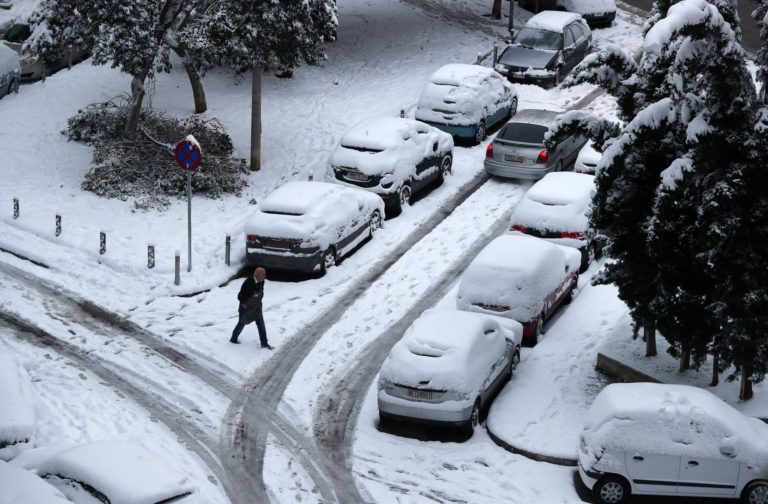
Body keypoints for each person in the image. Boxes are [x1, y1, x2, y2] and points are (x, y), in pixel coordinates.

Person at [230, 267, 273, 349]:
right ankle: (233, 338)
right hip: (246, 308)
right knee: (242, 323)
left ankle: (264, 343)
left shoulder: (262, 281)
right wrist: (243, 304)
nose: (265, 276)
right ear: (256, 275)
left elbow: (260, 292)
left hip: (256, 307)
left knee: (261, 323)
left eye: (264, 274)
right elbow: (240, 296)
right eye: (263, 274)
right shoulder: (248, 283)